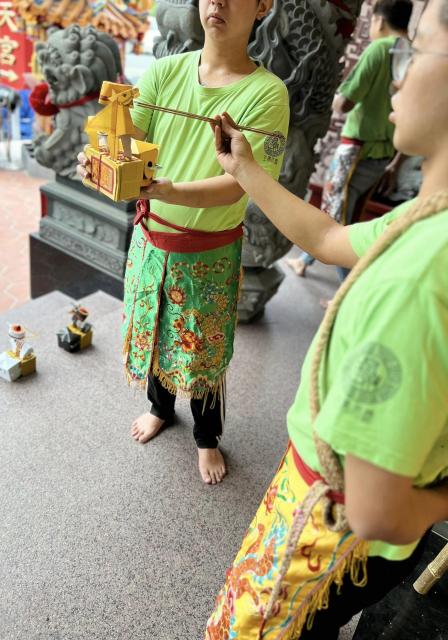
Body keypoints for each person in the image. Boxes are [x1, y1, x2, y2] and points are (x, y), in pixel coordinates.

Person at [205, 0, 448, 636]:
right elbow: (331, 238)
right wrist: (245, 168)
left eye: (415, 49)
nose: (397, 74)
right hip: (371, 523)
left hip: (331, 525)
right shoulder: (429, 216)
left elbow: (374, 509)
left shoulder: (417, 277)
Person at [77, 0, 289, 484]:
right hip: (150, 240)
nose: (217, 2)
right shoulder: (165, 71)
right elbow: (131, 141)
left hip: (208, 251)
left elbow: (239, 184)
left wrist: (167, 189)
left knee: (202, 351)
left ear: (262, 5)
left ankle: (207, 436)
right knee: (154, 333)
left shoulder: (266, 93)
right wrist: (102, 154)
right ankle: (159, 408)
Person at [287, 0, 412, 281]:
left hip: (356, 150)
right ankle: (304, 262)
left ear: (379, 20)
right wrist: (396, 164)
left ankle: (347, 291)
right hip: (384, 154)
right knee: (346, 212)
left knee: (338, 219)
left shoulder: (380, 49)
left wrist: (329, 95)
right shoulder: (412, 53)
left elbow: (345, 103)